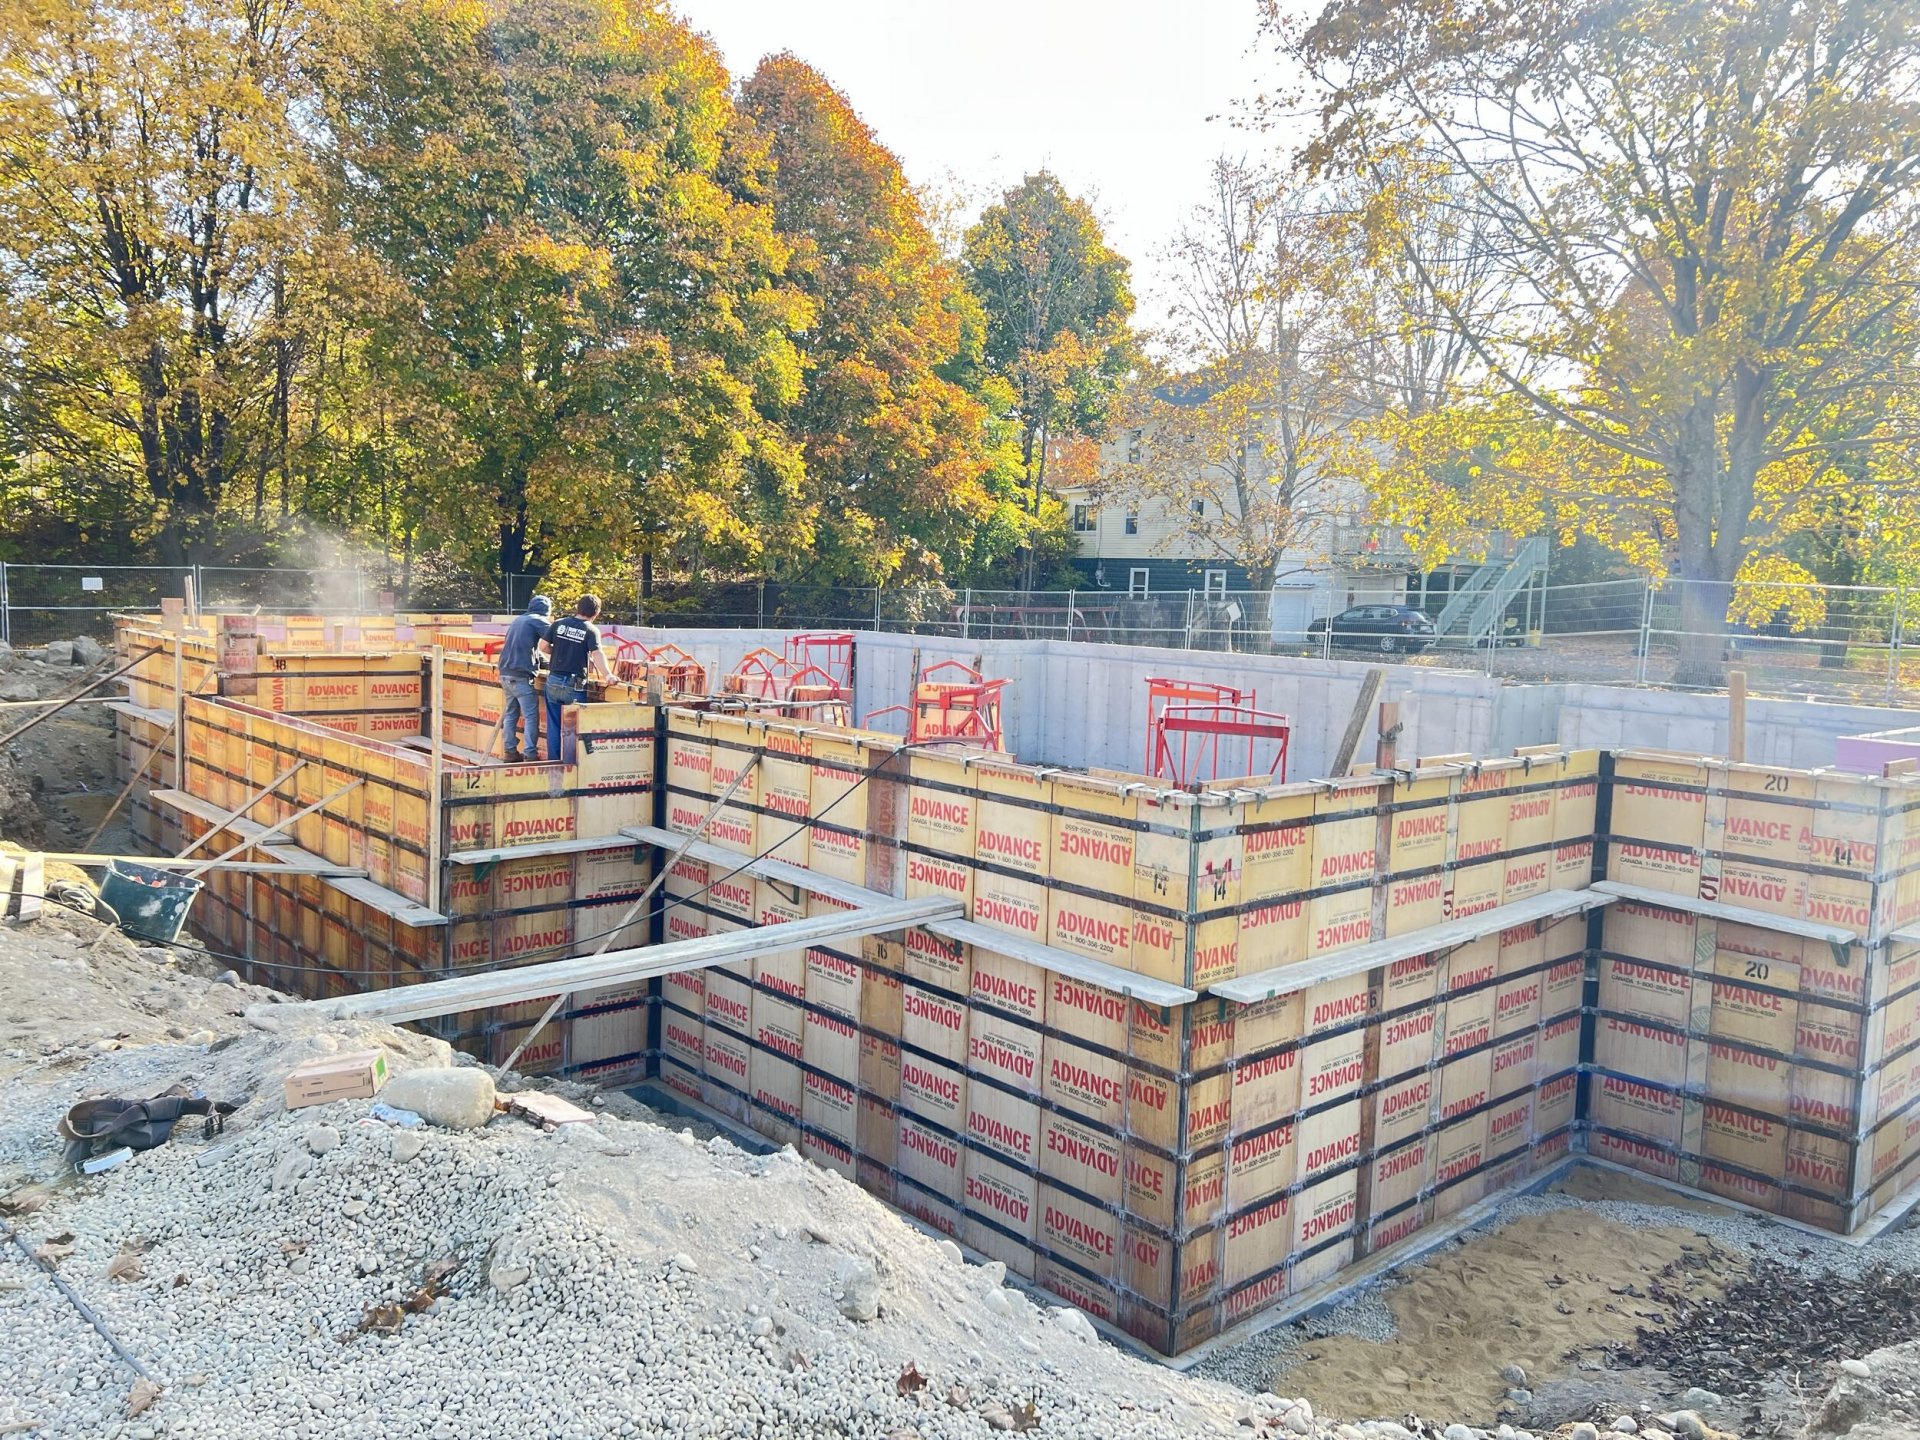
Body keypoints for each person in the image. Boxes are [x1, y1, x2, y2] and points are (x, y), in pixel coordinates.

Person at [539, 593, 613, 760]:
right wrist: (608, 675)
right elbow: (597, 654)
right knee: (575, 727)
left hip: (554, 681)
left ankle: (554, 763)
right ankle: (571, 765)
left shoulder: (559, 624)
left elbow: (542, 646)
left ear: (578, 608)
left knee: (555, 726)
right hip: (575, 685)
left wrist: (557, 650)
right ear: (596, 613)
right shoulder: (591, 630)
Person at [497, 594, 552, 763]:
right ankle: (530, 754)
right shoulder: (538, 620)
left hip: (505, 673)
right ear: (547, 611)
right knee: (530, 716)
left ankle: (510, 752)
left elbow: (530, 648)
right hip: (520, 676)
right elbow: (554, 639)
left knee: (512, 714)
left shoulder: (519, 620)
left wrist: (541, 662)